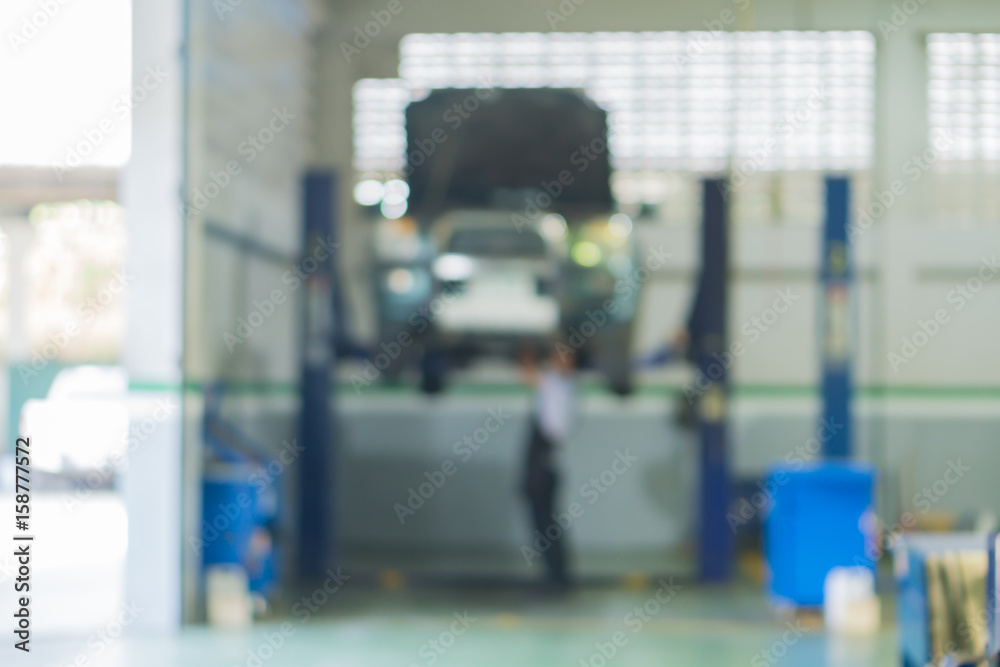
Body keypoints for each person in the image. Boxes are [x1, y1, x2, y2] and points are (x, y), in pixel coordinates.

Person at [519, 342, 577, 592]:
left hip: (545, 466)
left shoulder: (561, 388)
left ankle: (557, 576)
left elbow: (553, 431)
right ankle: (554, 574)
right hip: (542, 464)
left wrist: (527, 358)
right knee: (543, 522)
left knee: (547, 523)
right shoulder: (556, 385)